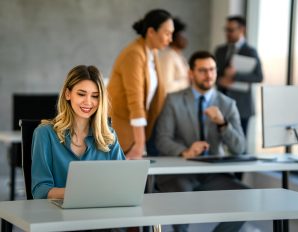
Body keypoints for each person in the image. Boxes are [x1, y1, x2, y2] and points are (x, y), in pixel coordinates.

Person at [155, 51, 247, 232]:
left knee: (247, 199)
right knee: (182, 205)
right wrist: (185, 151)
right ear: (191, 73)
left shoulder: (227, 104)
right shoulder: (173, 100)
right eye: (203, 70)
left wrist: (223, 124)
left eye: (212, 70)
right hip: (180, 172)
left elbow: (239, 148)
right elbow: (162, 139)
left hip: (213, 174)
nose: (209, 75)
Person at [31, 65, 126, 199]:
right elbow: (40, 190)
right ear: (68, 94)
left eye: (95, 96)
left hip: (102, 213)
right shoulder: (45, 134)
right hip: (58, 215)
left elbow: (124, 182)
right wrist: (82, 193)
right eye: (81, 94)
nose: (88, 102)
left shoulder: (108, 136)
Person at [107, 9, 174, 158]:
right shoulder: (134, 54)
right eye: (167, 33)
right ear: (151, 32)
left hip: (136, 131)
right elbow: (135, 100)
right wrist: (140, 143)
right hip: (122, 133)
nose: (171, 39)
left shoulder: (152, 52)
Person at [215, 16, 263, 136]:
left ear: (242, 30)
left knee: (239, 145)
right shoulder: (220, 50)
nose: (227, 33)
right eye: (226, 29)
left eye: (231, 30)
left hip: (242, 107)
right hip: (221, 104)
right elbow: (213, 73)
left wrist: (236, 75)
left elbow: (259, 77)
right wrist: (219, 80)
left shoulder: (250, 51)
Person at [159, 17, 190, 93]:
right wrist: (187, 81)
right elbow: (167, 87)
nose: (185, 38)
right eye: (181, 35)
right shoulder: (168, 56)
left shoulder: (178, 56)